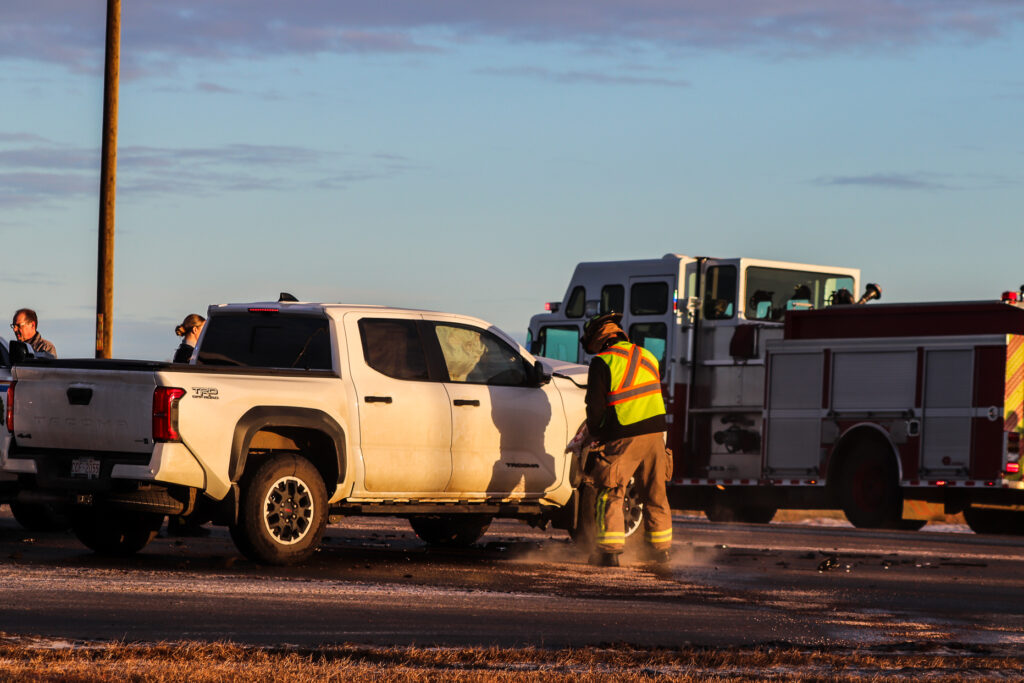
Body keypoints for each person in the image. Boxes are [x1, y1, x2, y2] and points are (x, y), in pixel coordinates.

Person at [582, 312, 673, 568]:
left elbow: (595, 408)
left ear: (598, 338)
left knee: (611, 490)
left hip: (625, 434)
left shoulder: (602, 361)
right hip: (656, 434)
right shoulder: (648, 356)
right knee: (655, 491)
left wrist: (596, 434)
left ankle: (608, 553)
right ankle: (660, 551)